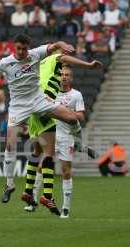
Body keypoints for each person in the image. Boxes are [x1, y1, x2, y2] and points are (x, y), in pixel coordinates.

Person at [0, 34, 83, 207]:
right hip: (18, 106)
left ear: (28, 47)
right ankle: (9, 184)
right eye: (18, 48)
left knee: (72, 118)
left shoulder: (35, 54)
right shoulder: (5, 62)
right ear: (14, 47)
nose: (21, 52)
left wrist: (62, 43)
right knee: (10, 144)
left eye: (24, 48)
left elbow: (53, 46)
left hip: (38, 100)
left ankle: (78, 142)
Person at [20, 54, 102, 216]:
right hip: (49, 132)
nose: (63, 77)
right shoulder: (49, 91)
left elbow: (80, 116)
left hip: (65, 136)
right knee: (41, 166)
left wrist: (66, 113)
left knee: (65, 171)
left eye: (67, 75)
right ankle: (32, 201)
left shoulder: (76, 95)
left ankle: (66, 207)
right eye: (61, 74)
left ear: (71, 78)